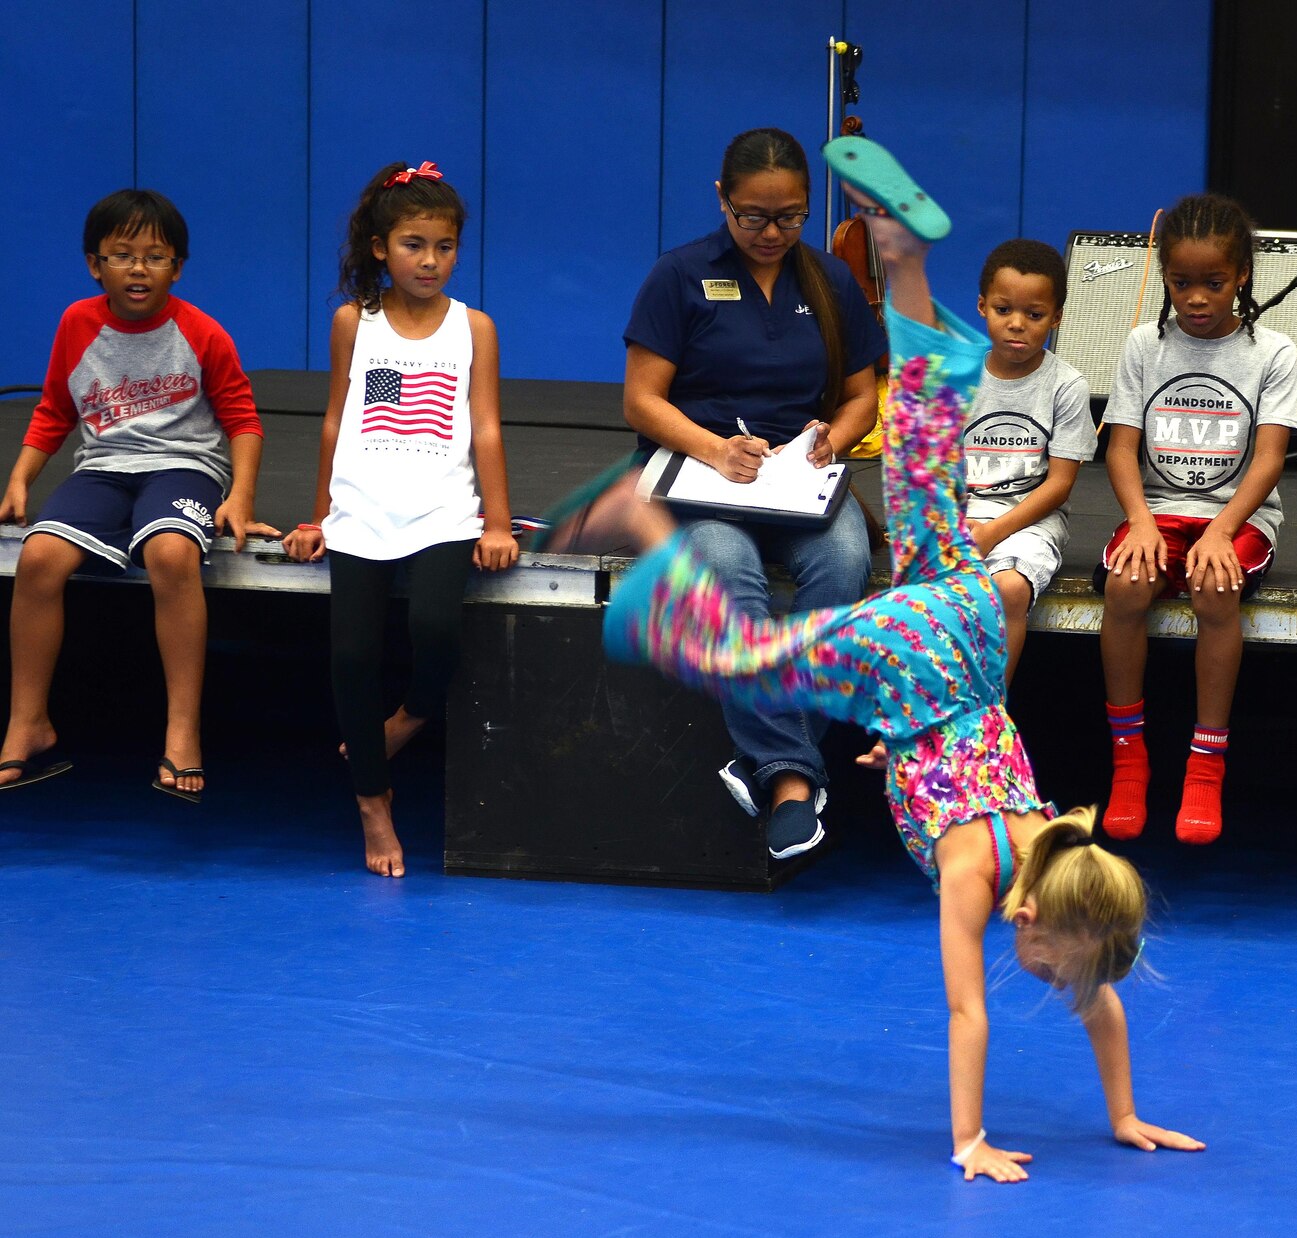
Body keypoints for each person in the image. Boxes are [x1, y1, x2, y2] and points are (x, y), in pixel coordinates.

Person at [545, 139, 1201, 1182]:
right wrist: (970, 1140)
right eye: (1047, 961)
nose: (1050, 980)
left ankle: (900, 259)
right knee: (744, 650)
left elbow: (1098, 991)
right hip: (912, 662)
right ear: (1028, 916)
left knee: (923, 447)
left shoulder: (1066, 843)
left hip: (971, 630)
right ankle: (640, 522)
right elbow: (964, 1009)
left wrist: (1124, 1114)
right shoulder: (976, 875)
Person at [622, 127, 887, 860]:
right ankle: (794, 781)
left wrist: (834, 434)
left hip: (799, 482)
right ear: (721, 199)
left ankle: (767, 763)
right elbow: (642, 401)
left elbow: (863, 395)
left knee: (844, 563)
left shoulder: (829, 280)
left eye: (791, 217)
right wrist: (714, 447)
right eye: (752, 217)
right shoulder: (678, 276)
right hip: (702, 479)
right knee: (728, 569)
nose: (771, 233)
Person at [282, 161, 519, 879]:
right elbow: (334, 421)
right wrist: (319, 514)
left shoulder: (473, 326)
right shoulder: (356, 321)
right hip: (361, 510)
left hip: (443, 511)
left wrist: (498, 522)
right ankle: (373, 802)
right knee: (352, 656)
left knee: (437, 630)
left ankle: (409, 716)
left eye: (445, 246)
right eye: (415, 244)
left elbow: (485, 429)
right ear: (381, 247)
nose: (431, 261)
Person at [0, 189, 270, 800]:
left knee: (171, 553)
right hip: (103, 467)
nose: (139, 268)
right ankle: (29, 723)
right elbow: (55, 408)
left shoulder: (201, 332)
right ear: (96, 264)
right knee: (39, 559)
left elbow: (243, 421)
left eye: (155, 256)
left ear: (177, 266)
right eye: (122, 255)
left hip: (185, 467)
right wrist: (21, 477)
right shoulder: (77, 324)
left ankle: (182, 733)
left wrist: (241, 498)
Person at [1095, 194, 1297, 846]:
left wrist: (1219, 529)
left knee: (1215, 588)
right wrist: (1141, 521)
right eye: (1181, 283)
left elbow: (1269, 458)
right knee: (1126, 586)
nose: (1197, 298)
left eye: (1213, 283)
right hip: (1158, 511)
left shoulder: (1272, 351)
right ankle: (1129, 760)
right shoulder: (1141, 345)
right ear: (1164, 278)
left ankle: (1205, 762)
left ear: (1242, 274)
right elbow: (1120, 447)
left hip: (1234, 515)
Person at [961, 238, 1095, 681]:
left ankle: (988, 709)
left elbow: (1059, 484)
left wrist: (994, 531)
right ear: (982, 306)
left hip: (1032, 519)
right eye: (1004, 310)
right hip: (964, 516)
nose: (1017, 325)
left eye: (1034, 315)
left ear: (1056, 317)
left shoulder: (1066, 385)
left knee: (1009, 589)